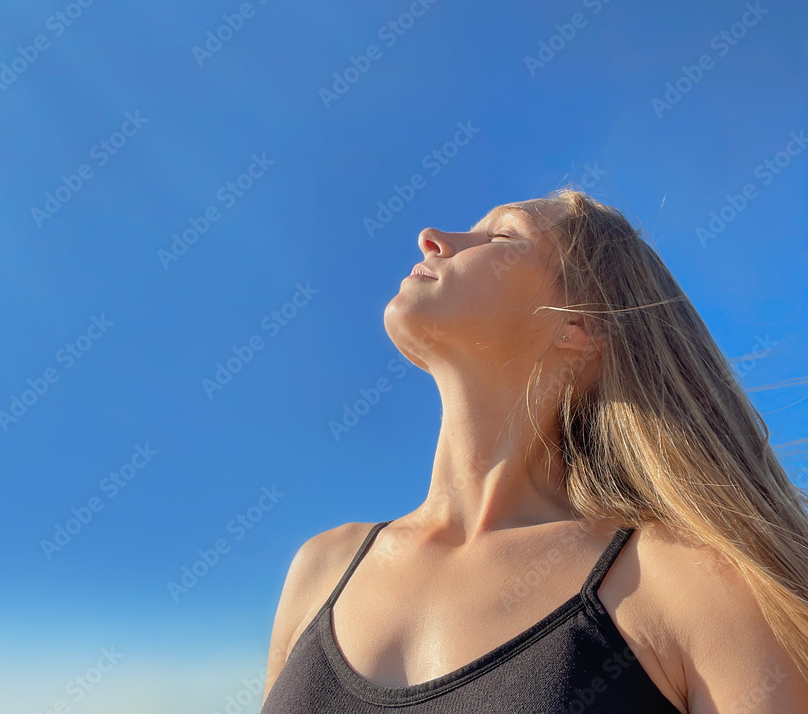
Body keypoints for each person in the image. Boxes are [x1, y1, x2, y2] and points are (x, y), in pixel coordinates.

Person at [260, 187, 808, 712]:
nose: (431, 237)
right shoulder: (323, 570)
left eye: (501, 237)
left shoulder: (693, 583)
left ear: (580, 323)